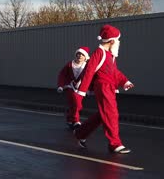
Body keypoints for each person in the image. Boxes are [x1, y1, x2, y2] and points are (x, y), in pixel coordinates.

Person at [74, 24, 134, 154]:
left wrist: (124, 81)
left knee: (103, 115)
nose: (118, 42)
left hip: (110, 87)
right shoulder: (99, 53)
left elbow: (114, 72)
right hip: (102, 87)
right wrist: (81, 92)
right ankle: (114, 144)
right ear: (112, 41)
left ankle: (80, 133)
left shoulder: (110, 55)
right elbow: (89, 71)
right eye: (117, 40)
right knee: (111, 113)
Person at [57, 47, 90, 130]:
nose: (80, 56)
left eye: (82, 54)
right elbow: (62, 75)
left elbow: (91, 76)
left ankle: (69, 119)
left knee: (74, 105)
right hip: (70, 87)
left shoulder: (87, 66)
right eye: (78, 54)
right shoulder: (70, 64)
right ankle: (76, 121)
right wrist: (61, 85)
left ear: (85, 57)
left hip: (81, 88)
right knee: (76, 104)